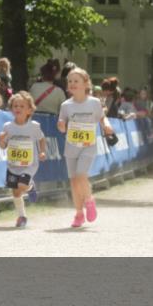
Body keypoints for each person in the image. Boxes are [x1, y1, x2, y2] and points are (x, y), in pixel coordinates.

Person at [58, 67, 114, 228]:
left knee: (81, 175)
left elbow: (102, 119)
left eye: (76, 81)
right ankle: (78, 214)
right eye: (70, 81)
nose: (72, 84)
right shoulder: (66, 105)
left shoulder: (94, 103)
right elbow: (61, 124)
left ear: (85, 84)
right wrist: (61, 125)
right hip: (71, 147)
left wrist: (107, 126)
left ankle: (89, 201)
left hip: (88, 146)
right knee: (74, 182)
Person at [0, 91, 47, 228]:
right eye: (15, 106)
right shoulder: (8, 126)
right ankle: (22, 216)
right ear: (11, 109)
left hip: (29, 165)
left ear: (29, 110)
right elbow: (3, 146)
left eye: (21, 106)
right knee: (16, 191)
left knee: (22, 186)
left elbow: (41, 139)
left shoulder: (34, 126)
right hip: (13, 165)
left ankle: (30, 186)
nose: (18, 108)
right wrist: (0, 141)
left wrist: (42, 151)